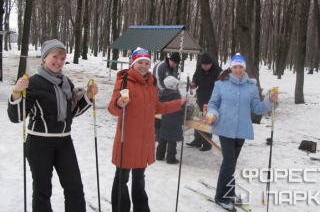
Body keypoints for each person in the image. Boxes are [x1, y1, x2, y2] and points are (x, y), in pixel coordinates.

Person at [7, 39, 98, 212]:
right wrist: (17, 92)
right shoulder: (33, 83)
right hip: (40, 143)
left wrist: (88, 97)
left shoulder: (66, 83)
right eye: (54, 57)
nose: (58, 61)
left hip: (64, 143)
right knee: (42, 192)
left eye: (62, 58)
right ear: (44, 58)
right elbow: (16, 117)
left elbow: (71, 114)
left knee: (75, 189)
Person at [107, 47, 187, 212]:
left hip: (144, 141)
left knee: (139, 180)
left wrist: (178, 103)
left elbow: (156, 108)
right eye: (140, 62)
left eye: (146, 63)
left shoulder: (151, 83)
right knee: (121, 179)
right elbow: (112, 108)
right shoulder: (124, 81)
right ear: (133, 63)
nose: (143, 66)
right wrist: (119, 103)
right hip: (127, 140)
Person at [205, 53, 278, 211]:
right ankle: (221, 197)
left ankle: (229, 192)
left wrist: (269, 100)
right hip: (225, 128)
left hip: (242, 130)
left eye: (241, 67)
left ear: (244, 69)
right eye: (235, 67)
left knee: (232, 163)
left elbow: (257, 108)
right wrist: (212, 114)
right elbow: (213, 104)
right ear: (231, 68)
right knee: (229, 162)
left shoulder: (251, 86)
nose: (238, 70)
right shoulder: (221, 84)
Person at [186, 53, 222, 151]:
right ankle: (197, 140)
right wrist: (193, 84)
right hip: (200, 97)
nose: (205, 67)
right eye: (203, 65)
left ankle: (207, 143)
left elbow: (221, 85)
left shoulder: (217, 71)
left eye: (207, 65)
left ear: (211, 64)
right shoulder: (199, 69)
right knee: (197, 119)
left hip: (212, 100)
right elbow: (195, 78)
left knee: (207, 120)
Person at [156, 76, 184, 164]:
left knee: (163, 137)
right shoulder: (176, 95)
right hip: (174, 120)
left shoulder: (162, 93)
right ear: (173, 86)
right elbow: (180, 106)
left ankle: (159, 155)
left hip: (165, 118)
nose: (177, 87)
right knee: (172, 140)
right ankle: (171, 158)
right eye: (176, 85)